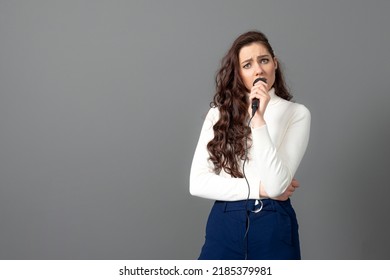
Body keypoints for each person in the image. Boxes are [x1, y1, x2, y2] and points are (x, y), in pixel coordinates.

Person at [189, 30, 311, 260]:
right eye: (247, 64)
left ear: (274, 64)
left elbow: (276, 186)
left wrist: (258, 119)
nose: (258, 69)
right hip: (225, 220)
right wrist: (259, 190)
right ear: (239, 73)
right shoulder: (218, 114)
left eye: (264, 60)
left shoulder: (297, 114)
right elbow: (197, 183)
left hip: (273, 223)